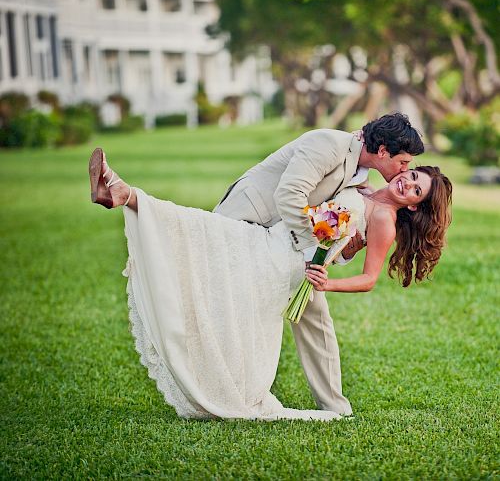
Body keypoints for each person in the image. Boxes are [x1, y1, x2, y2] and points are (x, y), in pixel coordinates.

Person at [89, 147, 452, 421]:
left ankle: (128, 195)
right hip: (273, 238)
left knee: (206, 236)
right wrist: (340, 252)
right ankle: (124, 194)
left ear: (416, 207)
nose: (406, 180)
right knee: (206, 231)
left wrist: (326, 284)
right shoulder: (362, 184)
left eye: (415, 189)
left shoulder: (385, 220)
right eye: (411, 174)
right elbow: (339, 241)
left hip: (287, 263)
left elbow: (369, 279)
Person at [213, 113, 424, 415]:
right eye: (403, 163)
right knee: (238, 308)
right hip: (246, 219)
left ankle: (335, 406)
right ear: (382, 152)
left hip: (290, 243)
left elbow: (335, 221)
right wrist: (314, 250)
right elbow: (288, 195)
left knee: (317, 318)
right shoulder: (328, 143)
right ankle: (230, 388)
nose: (405, 170)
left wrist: (342, 250)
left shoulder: (362, 175)